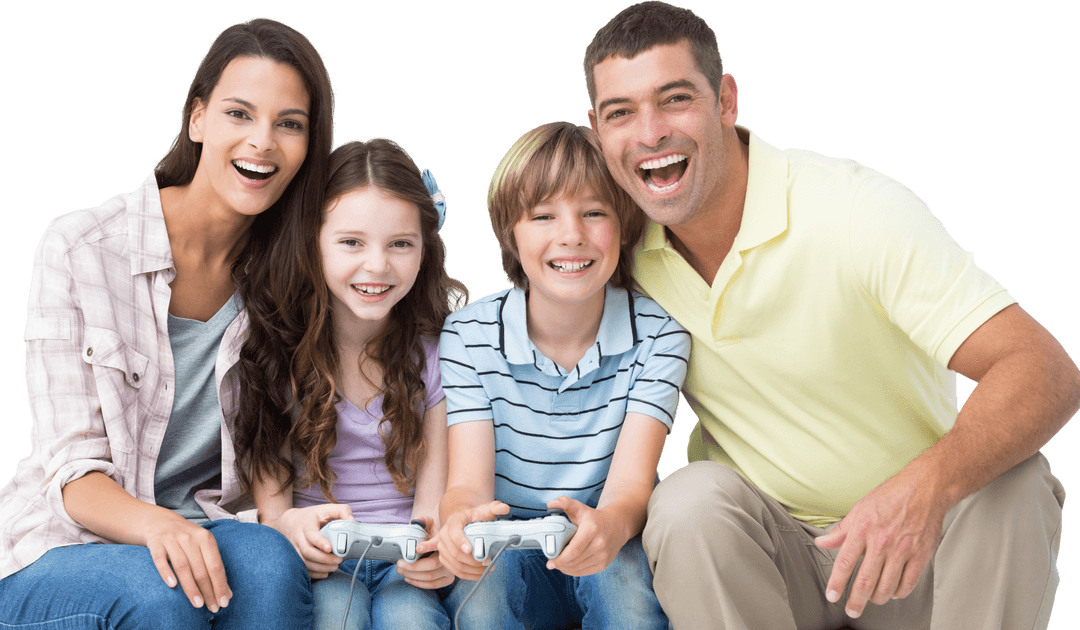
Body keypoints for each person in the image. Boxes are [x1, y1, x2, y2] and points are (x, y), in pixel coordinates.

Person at [582, 3, 1079, 629]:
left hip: (918, 556)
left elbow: (1043, 369)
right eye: (621, 113)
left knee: (1017, 484)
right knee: (687, 503)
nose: (651, 133)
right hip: (774, 562)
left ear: (726, 101)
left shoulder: (852, 211)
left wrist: (925, 488)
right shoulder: (612, 251)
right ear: (597, 131)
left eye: (675, 99)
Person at [0, 17, 335, 629]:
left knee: (270, 563)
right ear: (197, 119)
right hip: (62, 544)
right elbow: (72, 471)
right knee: (161, 595)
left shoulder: (291, 273)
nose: (262, 141)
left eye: (289, 124)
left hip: (205, 527)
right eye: (239, 114)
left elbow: (273, 442)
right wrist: (160, 526)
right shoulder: (79, 248)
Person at [437, 121, 689, 629]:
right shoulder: (467, 335)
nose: (571, 235)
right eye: (543, 216)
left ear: (625, 225)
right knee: (481, 597)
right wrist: (459, 520)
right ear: (511, 233)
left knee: (627, 593)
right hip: (506, 540)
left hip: (607, 534)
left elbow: (630, 487)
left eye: (594, 213)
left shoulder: (661, 335)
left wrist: (608, 527)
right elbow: (467, 484)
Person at [235, 138, 463, 630]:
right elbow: (274, 513)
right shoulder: (276, 353)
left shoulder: (439, 356)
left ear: (425, 250)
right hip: (322, 560)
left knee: (411, 619)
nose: (377, 265)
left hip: (406, 562)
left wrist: (434, 550)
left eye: (400, 243)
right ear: (312, 243)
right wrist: (291, 532)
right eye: (351, 242)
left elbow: (432, 505)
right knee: (336, 616)